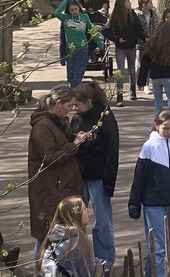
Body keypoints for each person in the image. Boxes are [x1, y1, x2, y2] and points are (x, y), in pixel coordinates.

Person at [128, 109, 170, 277]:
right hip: (153, 204)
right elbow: (139, 178)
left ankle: (151, 272)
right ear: (157, 126)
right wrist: (134, 205)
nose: (169, 132)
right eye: (166, 128)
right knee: (159, 248)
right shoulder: (149, 146)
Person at [29, 86, 88, 255]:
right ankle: (40, 271)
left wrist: (77, 139)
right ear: (58, 103)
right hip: (48, 190)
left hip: (60, 187)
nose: (72, 110)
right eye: (70, 105)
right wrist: (74, 145)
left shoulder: (58, 122)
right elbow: (50, 157)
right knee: (46, 236)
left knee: (60, 235)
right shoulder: (42, 127)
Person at [70, 81, 119, 270]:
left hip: (99, 177)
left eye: (78, 105)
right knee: (76, 220)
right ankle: (80, 259)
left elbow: (112, 150)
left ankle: (105, 260)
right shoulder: (77, 119)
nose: (75, 108)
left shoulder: (105, 118)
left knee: (103, 222)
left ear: (89, 102)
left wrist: (109, 182)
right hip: (81, 175)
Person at [37, 195, 107, 277]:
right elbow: (86, 273)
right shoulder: (77, 242)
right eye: (84, 209)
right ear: (76, 215)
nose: (88, 211)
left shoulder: (52, 239)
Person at [138, 19, 170, 122]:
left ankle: (157, 126)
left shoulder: (153, 44)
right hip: (169, 78)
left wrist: (141, 81)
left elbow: (145, 63)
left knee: (158, 104)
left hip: (155, 77)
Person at [107, 0, 148, 105]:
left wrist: (145, 38)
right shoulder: (115, 16)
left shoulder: (132, 14)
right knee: (120, 71)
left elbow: (138, 29)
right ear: (122, 4)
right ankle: (119, 96)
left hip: (131, 47)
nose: (130, 3)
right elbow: (106, 31)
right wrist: (116, 39)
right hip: (120, 48)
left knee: (131, 70)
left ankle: (132, 91)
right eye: (128, 2)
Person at [56, 0, 101, 88]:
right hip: (70, 50)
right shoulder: (65, 18)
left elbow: (91, 30)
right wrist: (66, 1)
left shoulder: (84, 17)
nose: (74, 12)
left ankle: (75, 95)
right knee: (70, 77)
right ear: (68, 10)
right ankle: (73, 93)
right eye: (71, 10)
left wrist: (100, 44)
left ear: (79, 8)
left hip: (82, 49)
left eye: (76, 9)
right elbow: (56, 13)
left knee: (77, 77)